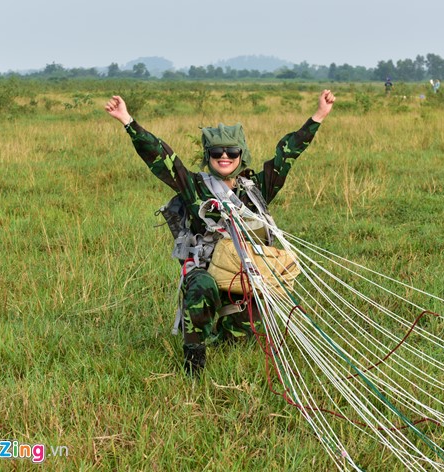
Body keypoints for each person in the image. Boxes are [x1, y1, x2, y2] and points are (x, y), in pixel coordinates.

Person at [104, 90, 335, 375]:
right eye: (216, 152)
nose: (224, 157)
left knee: (240, 339)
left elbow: (287, 153)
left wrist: (319, 116)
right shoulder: (195, 187)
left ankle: (226, 325)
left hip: (245, 273)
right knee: (201, 287)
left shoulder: (256, 189)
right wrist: (128, 120)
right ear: (208, 156)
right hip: (206, 272)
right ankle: (194, 360)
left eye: (231, 152)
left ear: (241, 154)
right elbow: (161, 157)